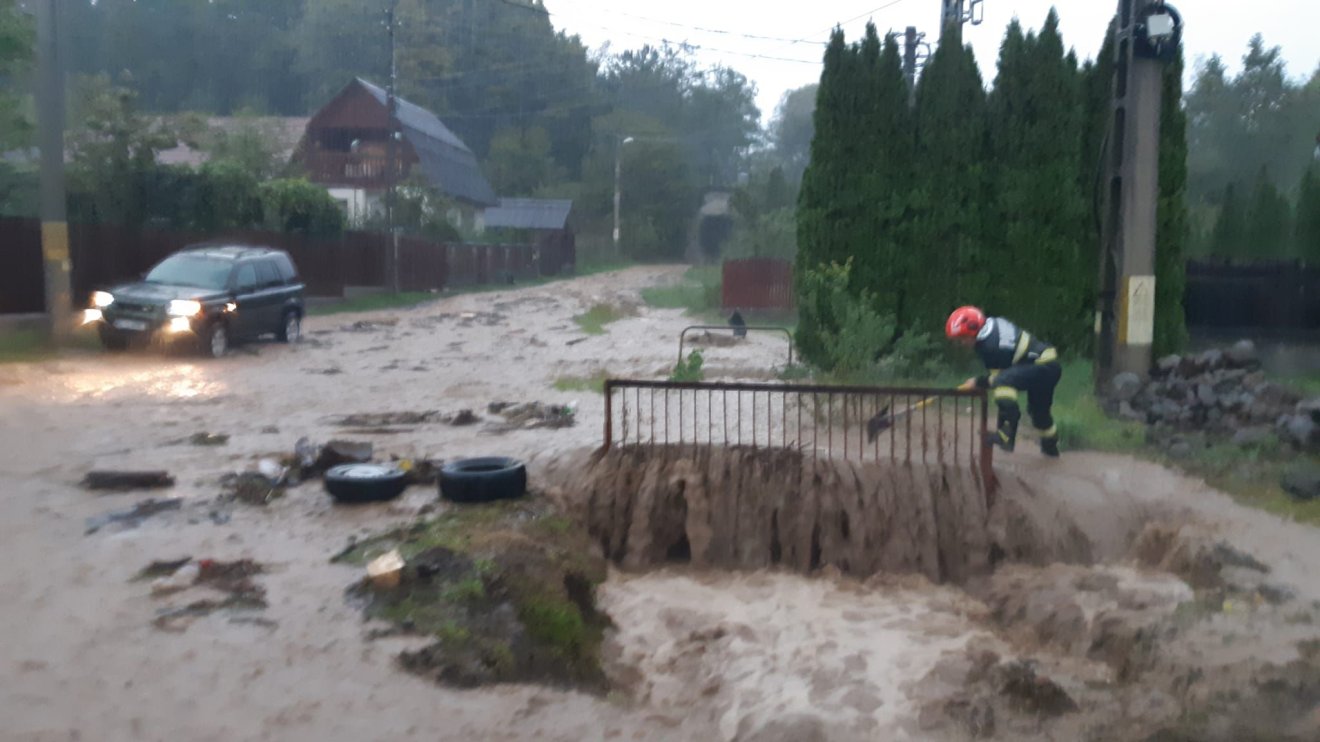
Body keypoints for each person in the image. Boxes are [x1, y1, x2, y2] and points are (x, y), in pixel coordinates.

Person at [945, 306, 1062, 457]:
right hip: (1047, 365)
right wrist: (980, 382)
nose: (961, 344)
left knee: (1003, 384)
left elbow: (997, 380)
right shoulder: (991, 326)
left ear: (973, 329)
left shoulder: (989, 346)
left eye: (962, 339)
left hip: (1040, 365)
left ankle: (1006, 435)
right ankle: (1051, 451)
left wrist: (977, 382)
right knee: (1038, 414)